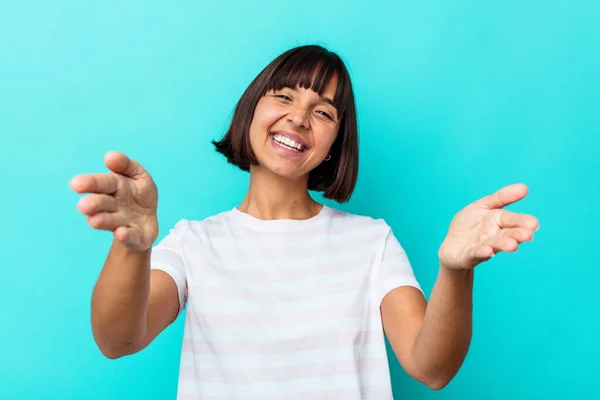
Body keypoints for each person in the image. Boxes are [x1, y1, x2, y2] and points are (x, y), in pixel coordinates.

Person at [69, 45, 539, 399]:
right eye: (284, 97)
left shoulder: (371, 242)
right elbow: (117, 340)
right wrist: (132, 247)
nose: (298, 118)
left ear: (334, 143)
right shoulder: (193, 243)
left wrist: (455, 272)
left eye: (323, 112)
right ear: (252, 109)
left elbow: (431, 367)